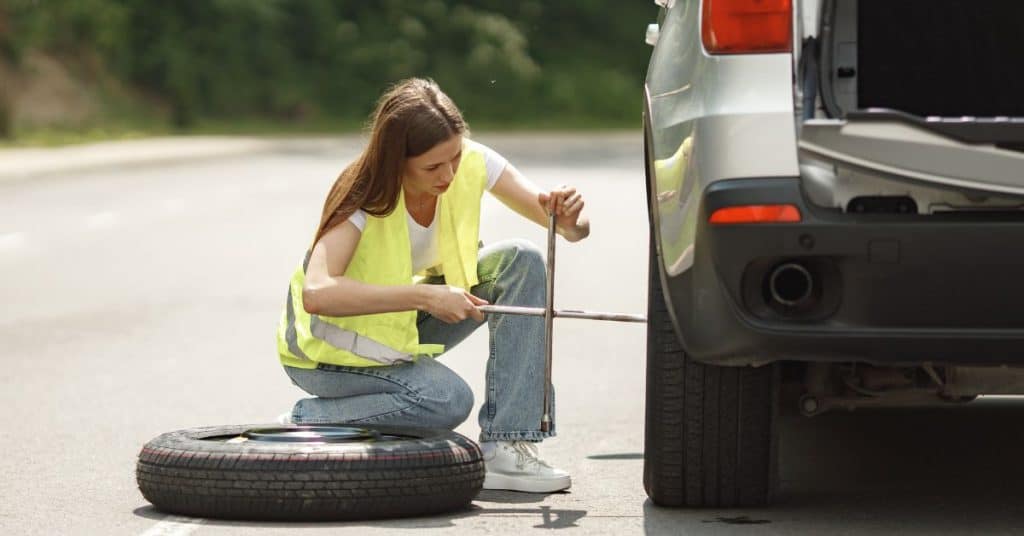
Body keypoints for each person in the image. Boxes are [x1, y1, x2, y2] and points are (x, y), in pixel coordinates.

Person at [275, 78, 589, 493]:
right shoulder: (361, 193)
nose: (449, 174)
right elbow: (317, 294)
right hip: (325, 353)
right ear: (396, 161)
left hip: (395, 329)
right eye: (432, 167)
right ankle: (305, 417)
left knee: (521, 259)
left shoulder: (472, 163)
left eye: (454, 158)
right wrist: (425, 295)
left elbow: (569, 229)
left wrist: (567, 219)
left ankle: (507, 448)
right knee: (447, 400)